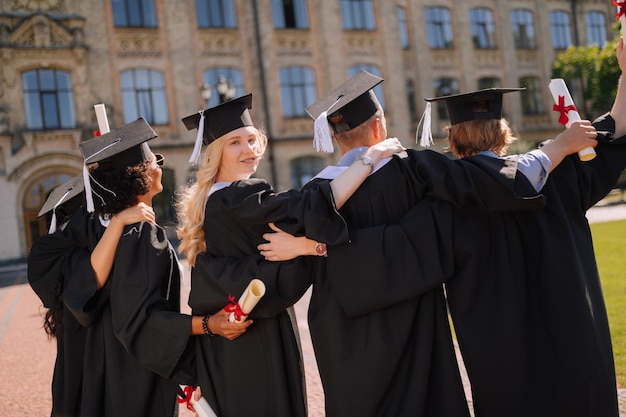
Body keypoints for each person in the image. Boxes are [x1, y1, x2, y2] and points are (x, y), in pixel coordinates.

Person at [268, 42, 626, 417]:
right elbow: (618, 122)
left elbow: (390, 251)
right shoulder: (564, 172)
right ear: (504, 133)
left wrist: (311, 247)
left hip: (502, 359)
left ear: (451, 140)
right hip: (576, 343)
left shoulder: (446, 204)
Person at [176, 93, 404, 417]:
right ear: (216, 152)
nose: (249, 149)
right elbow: (314, 207)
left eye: (252, 139)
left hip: (230, 342)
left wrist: (302, 247)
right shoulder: (239, 198)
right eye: (235, 143)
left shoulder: (213, 200)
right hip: (256, 341)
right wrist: (370, 158)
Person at [36, 118, 251, 417]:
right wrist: (209, 325)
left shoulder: (94, 229)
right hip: (132, 378)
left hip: (96, 372)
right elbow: (141, 323)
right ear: (144, 174)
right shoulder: (140, 235)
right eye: (155, 161)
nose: (159, 166)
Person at [27, 174, 161, 417]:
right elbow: (91, 279)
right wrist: (119, 222)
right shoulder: (76, 261)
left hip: (93, 371)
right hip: (96, 373)